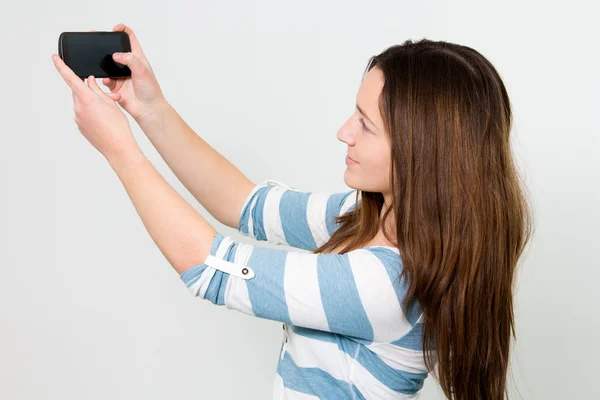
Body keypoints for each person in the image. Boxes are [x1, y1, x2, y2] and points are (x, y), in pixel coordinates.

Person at [95, 24, 533, 400]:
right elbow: (244, 202)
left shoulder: (386, 286)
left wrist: (118, 148)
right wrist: (147, 107)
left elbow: (209, 267)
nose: (344, 132)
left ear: (423, 153)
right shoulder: (371, 217)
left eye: (365, 123)